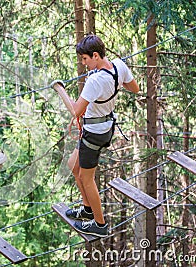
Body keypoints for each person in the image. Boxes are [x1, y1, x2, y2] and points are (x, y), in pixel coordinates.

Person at [51, 34, 139, 237]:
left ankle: (99, 225)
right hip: (104, 126)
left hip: (94, 133)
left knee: (86, 178)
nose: (83, 63)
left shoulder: (96, 80)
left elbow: (75, 110)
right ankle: (87, 209)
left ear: (96, 55)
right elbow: (134, 87)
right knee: (73, 166)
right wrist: (114, 85)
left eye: (85, 59)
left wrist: (60, 89)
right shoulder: (118, 66)